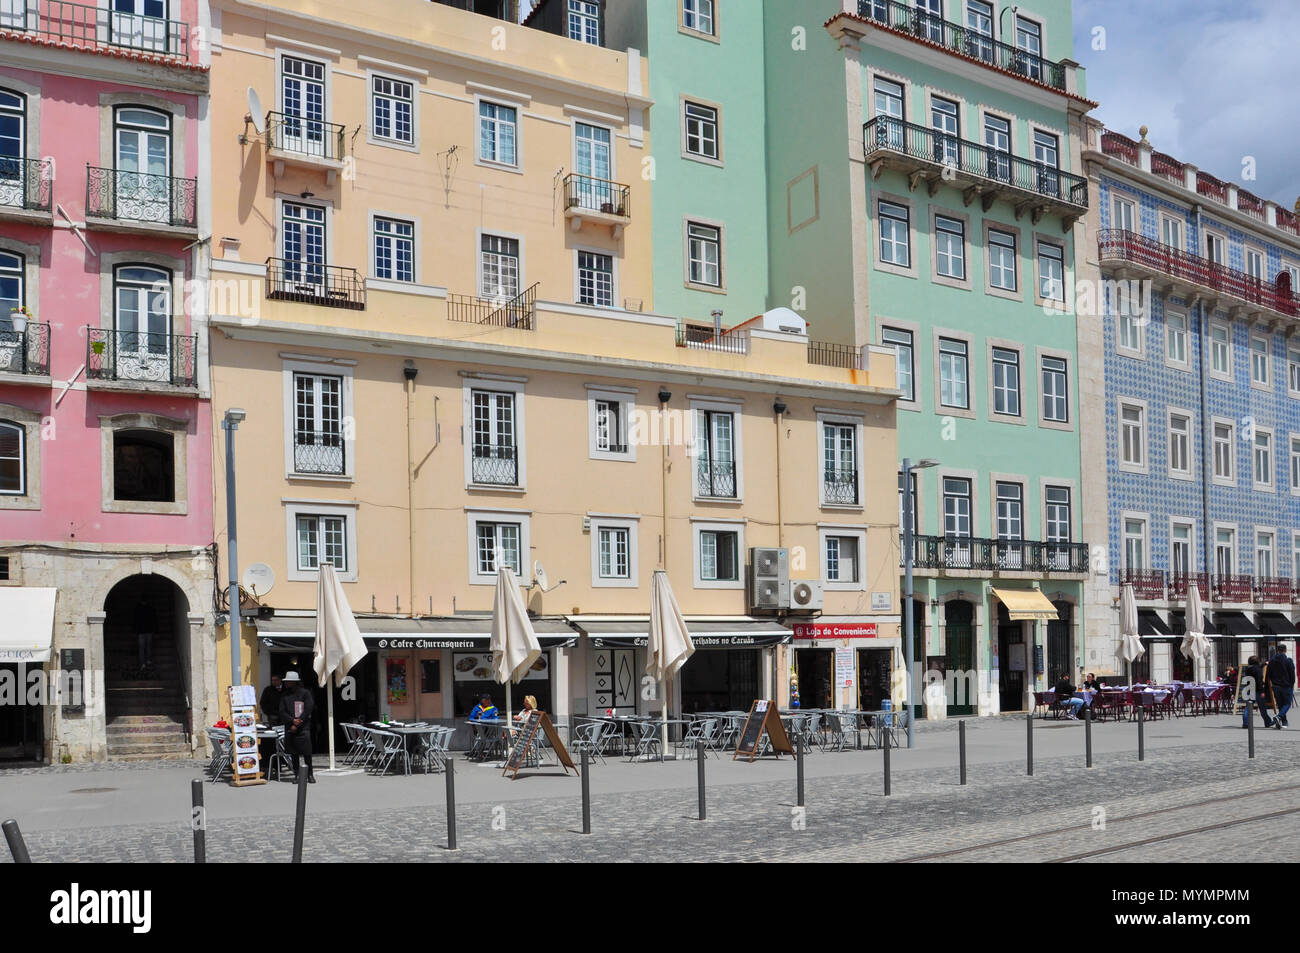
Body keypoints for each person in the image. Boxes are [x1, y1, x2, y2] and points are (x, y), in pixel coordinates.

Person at [278, 671, 316, 782]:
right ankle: (297, 775)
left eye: (289, 682)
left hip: (303, 727)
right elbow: (282, 711)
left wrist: (299, 721)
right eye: (286, 682)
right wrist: (292, 721)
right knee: (294, 753)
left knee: (307, 753)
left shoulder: (305, 693)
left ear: (295, 682)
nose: (286, 684)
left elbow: (309, 707)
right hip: (290, 727)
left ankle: (310, 774)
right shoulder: (284, 695)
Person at [1266, 644, 1295, 729]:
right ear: (1285, 650)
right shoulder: (1288, 660)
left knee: (1280, 704)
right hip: (1286, 685)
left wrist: (1273, 682)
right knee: (1287, 703)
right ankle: (1279, 717)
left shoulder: (1272, 661)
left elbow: (1269, 673)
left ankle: (1283, 721)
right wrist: (1291, 684)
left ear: (1277, 651)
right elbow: (1292, 674)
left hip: (1275, 685)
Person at [1240, 656, 1272, 729]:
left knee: (1248, 708)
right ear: (1257, 661)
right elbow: (1259, 681)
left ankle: (1245, 723)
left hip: (1249, 689)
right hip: (1257, 690)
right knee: (1262, 707)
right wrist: (1262, 691)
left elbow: (1257, 667)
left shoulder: (1248, 669)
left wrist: (1264, 663)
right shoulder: (1258, 670)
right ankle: (1268, 722)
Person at [133, 596, 156, 677]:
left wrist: (135, 630)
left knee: (141, 648)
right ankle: (148, 660)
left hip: (140, 631)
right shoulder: (151, 609)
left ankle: (142, 663)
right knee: (149, 646)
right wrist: (154, 630)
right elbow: (154, 620)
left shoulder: (137, 609)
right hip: (149, 630)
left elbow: (134, 620)